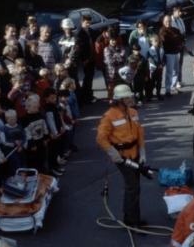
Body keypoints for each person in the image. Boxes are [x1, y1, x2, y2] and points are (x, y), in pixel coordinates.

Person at [96, 84, 147, 228]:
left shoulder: (133, 112)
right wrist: (114, 154)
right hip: (122, 157)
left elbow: (139, 132)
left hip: (135, 153)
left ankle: (128, 217)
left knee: (132, 187)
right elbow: (101, 138)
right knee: (134, 188)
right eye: (127, 97)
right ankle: (134, 221)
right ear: (119, 100)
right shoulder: (109, 116)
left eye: (130, 96)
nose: (130, 99)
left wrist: (142, 151)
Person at [159, 14, 186, 95]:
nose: (168, 23)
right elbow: (165, 41)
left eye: (170, 21)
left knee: (176, 71)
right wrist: (176, 38)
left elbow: (182, 38)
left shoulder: (175, 29)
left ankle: (173, 87)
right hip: (169, 53)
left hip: (177, 52)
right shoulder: (162, 30)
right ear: (163, 22)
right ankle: (168, 89)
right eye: (166, 21)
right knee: (169, 72)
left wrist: (175, 39)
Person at [75, 13, 96, 106]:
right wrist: (84, 59)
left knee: (90, 77)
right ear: (82, 22)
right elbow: (79, 49)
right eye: (87, 22)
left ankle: (88, 94)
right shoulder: (79, 33)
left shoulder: (91, 31)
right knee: (87, 77)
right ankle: (85, 96)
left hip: (92, 58)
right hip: (85, 59)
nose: (88, 24)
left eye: (89, 22)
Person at [57, 18, 79, 86]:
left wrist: (70, 59)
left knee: (73, 80)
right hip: (63, 62)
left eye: (68, 28)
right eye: (65, 28)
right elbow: (59, 49)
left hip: (71, 64)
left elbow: (75, 51)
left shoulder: (75, 39)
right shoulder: (61, 38)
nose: (67, 30)